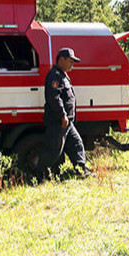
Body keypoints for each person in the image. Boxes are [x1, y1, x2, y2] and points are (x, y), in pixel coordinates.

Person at [41, 47, 90, 177]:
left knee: (76, 143)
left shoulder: (63, 75)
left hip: (67, 122)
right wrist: (62, 115)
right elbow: (54, 97)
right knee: (54, 150)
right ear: (62, 60)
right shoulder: (54, 76)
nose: (72, 64)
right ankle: (41, 175)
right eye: (70, 61)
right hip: (58, 121)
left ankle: (81, 170)